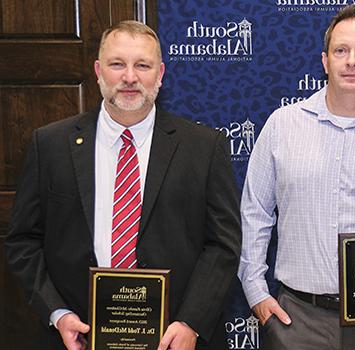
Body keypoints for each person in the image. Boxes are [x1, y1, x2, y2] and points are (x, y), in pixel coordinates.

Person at [4, 20, 241, 350]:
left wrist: (191, 322)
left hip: (174, 339)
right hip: (79, 336)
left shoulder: (204, 147)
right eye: (118, 64)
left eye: (142, 65)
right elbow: (23, 241)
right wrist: (57, 313)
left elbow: (223, 245)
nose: (129, 77)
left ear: (160, 74)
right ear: (99, 71)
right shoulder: (51, 144)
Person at [237, 5, 355, 349]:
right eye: (341, 50)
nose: (352, 61)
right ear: (325, 61)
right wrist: (255, 289)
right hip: (295, 319)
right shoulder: (282, 126)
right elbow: (255, 213)